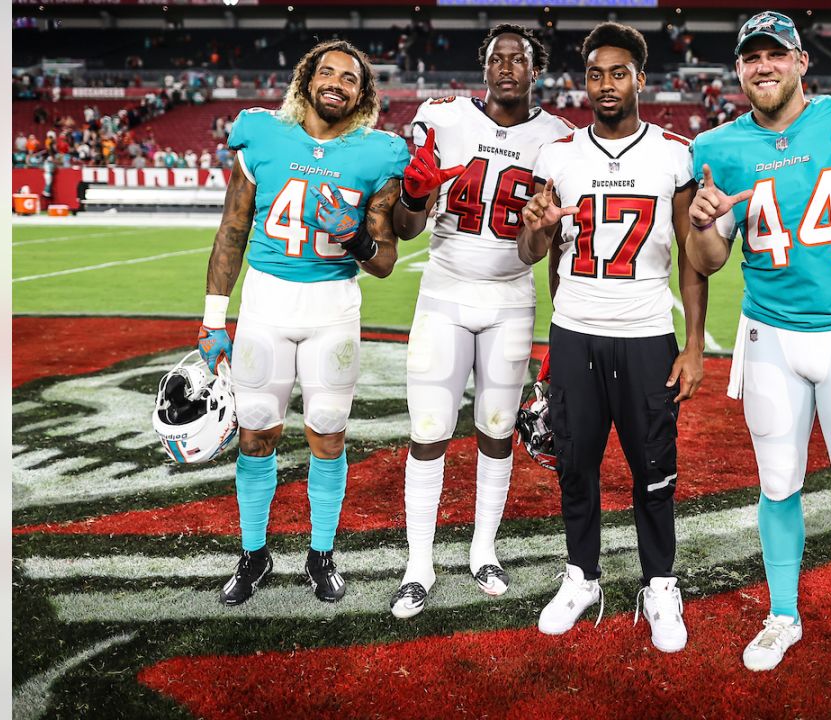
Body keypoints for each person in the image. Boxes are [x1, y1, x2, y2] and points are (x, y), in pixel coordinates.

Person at [686, 11, 831, 707]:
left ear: (799, 62)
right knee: (779, 482)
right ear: (737, 69)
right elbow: (710, 258)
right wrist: (702, 226)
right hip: (769, 339)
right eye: (749, 57)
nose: (762, 66)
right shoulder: (720, 148)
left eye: (775, 55)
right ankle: (783, 614)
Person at [517, 22, 708, 654]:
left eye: (618, 72)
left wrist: (695, 342)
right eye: (596, 73)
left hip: (648, 332)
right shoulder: (558, 155)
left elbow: (692, 256)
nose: (605, 84)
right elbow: (533, 248)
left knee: (654, 470)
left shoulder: (674, 154)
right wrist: (538, 230)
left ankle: (659, 583)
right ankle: (583, 577)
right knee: (575, 464)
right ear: (585, 80)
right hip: (576, 333)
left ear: (640, 79)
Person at [198, 39, 410, 607]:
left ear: (364, 94)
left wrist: (355, 236)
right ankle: (253, 554)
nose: (336, 82)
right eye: (327, 72)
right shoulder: (263, 133)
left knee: (326, 431)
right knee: (257, 429)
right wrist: (213, 320)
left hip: (332, 309)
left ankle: (320, 554)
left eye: (350, 77)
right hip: (265, 305)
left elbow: (384, 261)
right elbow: (232, 231)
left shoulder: (379, 154)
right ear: (306, 79)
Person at [385, 25, 574, 619]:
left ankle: (483, 549)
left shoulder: (558, 139)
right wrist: (413, 199)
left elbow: (539, 251)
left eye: (520, 58)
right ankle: (419, 563)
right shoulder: (440, 118)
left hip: (510, 298)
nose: (508, 66)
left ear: (535, 69)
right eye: (498, 57)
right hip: (444, 290)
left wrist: (539, 235)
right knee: (430, 429)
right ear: (484, 65)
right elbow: (408, 228)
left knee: (496, 428)